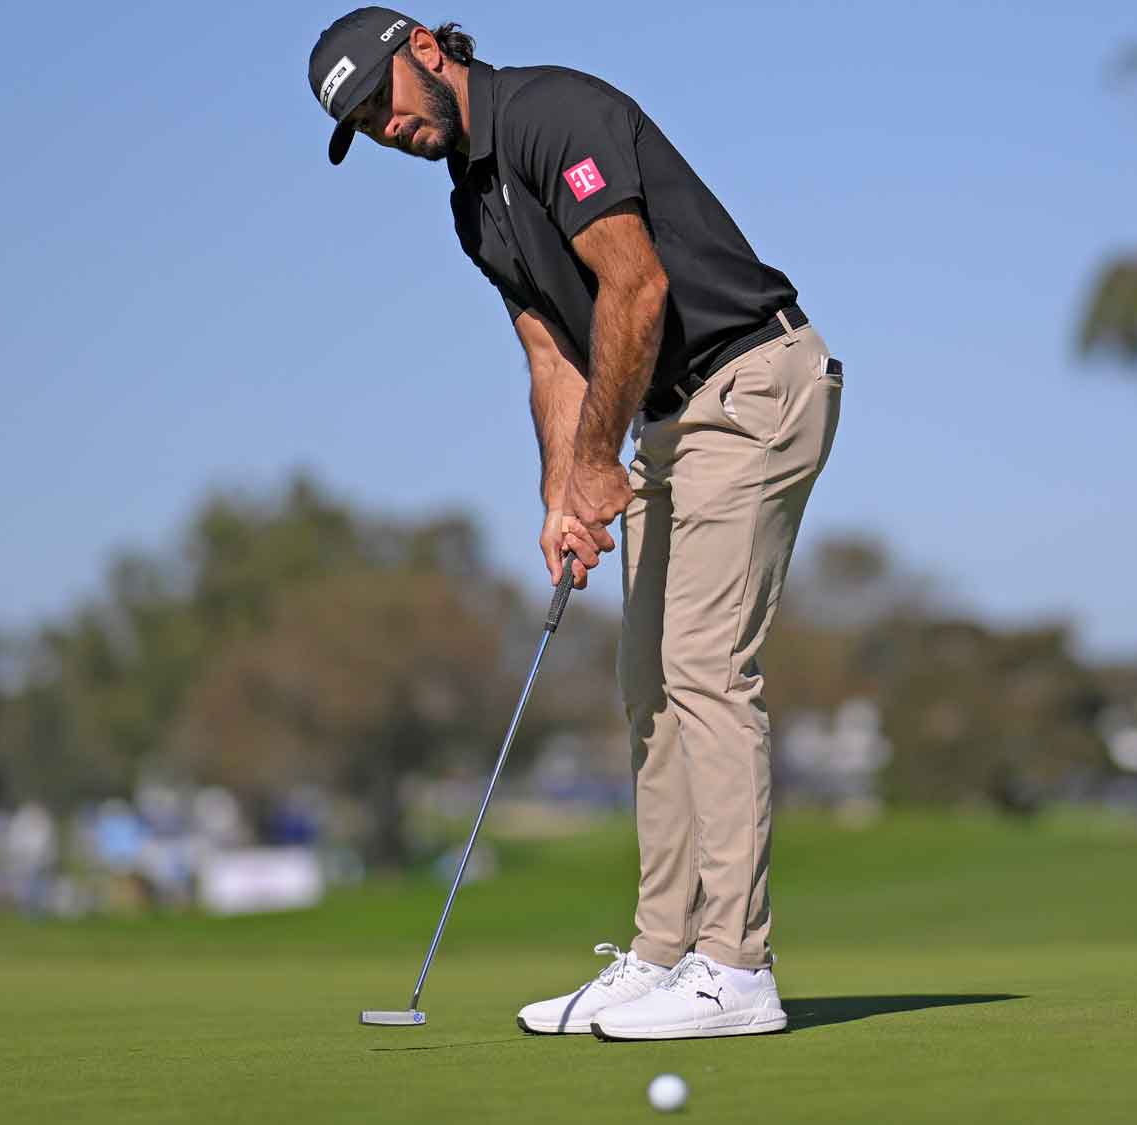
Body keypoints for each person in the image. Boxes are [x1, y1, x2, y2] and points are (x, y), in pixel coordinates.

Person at [308, 8, 840, 1040]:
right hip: (667, 418)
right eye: (360, 125)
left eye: (380, 100)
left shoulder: (553, 113)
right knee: (646, 687)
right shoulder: (473, 207)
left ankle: (736, 969)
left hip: (750, 383)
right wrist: (561, 494)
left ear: (426, 48)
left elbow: (635, 290)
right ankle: (660, 955)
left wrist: (601, 463)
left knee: (702, 669)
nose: (383, 128)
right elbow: (554, 357)